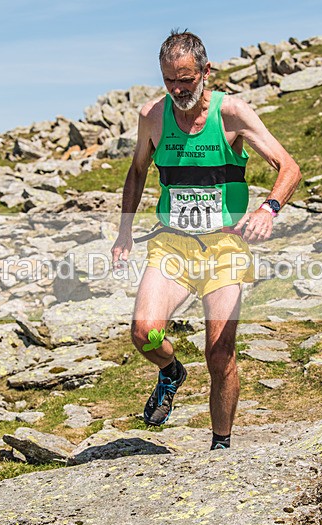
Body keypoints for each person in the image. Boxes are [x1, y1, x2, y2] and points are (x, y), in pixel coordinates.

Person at [110, 30, 301, 451]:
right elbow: (138, 171)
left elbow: (288, 167)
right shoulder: (153, 117)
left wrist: (268, 210)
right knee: (145, 333)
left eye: (186, 79)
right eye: (169, 81)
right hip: (172, 245)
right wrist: (124, 231)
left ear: (206, 72)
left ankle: (221, 445)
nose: (178, 89)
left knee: (219, 353)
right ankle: (171, 370)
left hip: (224, 247)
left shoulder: (231, 114)